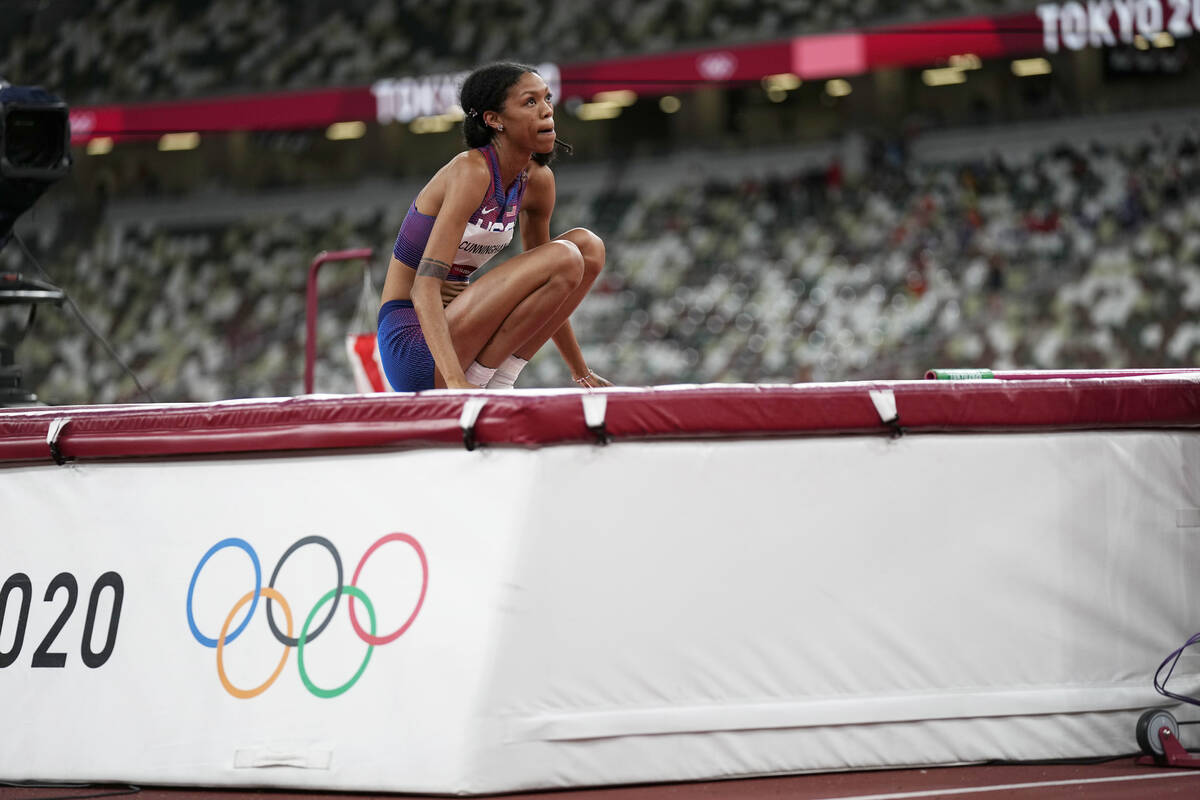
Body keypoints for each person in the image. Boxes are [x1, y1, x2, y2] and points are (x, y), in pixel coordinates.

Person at [377, 62, 611, 391]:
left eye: (547, 98)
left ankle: (500, 378)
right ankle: (480, 382)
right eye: (530, 102)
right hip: (416, 345)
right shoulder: (471, 171)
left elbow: (555, 291)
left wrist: (581, 372)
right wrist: (456, 383)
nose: (547, 111)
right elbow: (423, 288)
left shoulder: (538, 182)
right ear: (494, 119)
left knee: (587, 249)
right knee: (565, 256)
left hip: (463, 329)